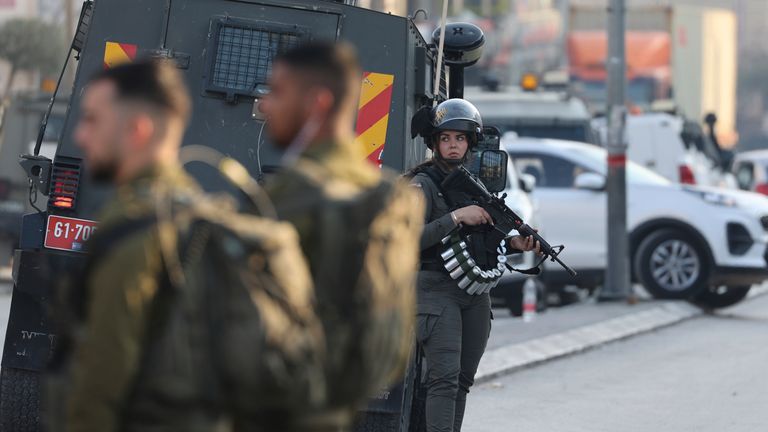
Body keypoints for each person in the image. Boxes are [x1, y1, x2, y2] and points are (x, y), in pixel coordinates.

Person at [258, 42, 424, 430]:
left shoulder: (295, 198)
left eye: (277, 92)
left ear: (317, 103)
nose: (264, 105)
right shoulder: (388, 196)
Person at [408, 98, 540, 432]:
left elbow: (480, 242)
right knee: (443, 380)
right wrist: (454, 217)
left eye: (460, 138)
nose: (453, 145)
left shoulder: (475, 186)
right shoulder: (422, 186)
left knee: (463, 379)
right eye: (446, 138)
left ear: (471, 142)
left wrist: (514, 244)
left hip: (473, 294)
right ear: (435, 143)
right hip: (435, 292)